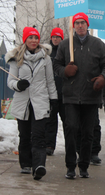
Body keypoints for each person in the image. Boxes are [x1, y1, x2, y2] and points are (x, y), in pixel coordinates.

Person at [53, 12, 105, 179]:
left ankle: (84, 165)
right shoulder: (66, 45)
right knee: (71, 129)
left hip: (91, 95)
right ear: (73, 26)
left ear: (87, 25)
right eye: (77, 23)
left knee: (88, 132)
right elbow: (56, 64)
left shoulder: (98, 44)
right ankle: (70, 166)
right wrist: (64, 71)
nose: (80, 26)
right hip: (71, 95)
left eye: (83, 23)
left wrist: (103, 78)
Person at [5, 27, 58, 180]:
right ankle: (26, 164)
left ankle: (39, 166)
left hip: (40, 101)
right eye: (31, 38)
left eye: (36, 38)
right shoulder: (17, 58)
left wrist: (53, 98)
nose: (34, 41)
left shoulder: (46, 58)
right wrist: (18, 85)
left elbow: (50, 81)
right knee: (25, 135)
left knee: (39, 135)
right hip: (23, 102)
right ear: (25, 40)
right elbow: (11, 81)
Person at [45, 27, 66, 156]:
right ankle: (49, 145)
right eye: (54, 37)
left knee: (67, 121)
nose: (56, 39)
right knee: (50, 120)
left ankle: (70, 144)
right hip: (51, 92)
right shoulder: (47, 53)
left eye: (58, 37)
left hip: (64, 92)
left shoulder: (66, 52)